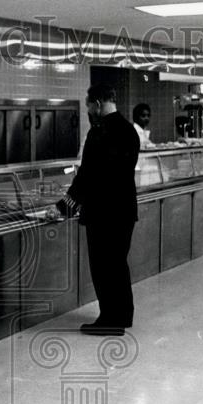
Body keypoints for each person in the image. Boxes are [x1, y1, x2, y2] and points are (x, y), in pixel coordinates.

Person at [56, 84, 140, 336]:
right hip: (124, 211)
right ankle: (123, 315)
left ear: (98, 104)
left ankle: (109, 320)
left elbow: (87, 177)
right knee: (118, 265)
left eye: (89, 107)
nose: (89, 112)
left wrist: (65, 207)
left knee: (103, 268)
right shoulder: (129, 130)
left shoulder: (98, 133)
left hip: (103, 214)